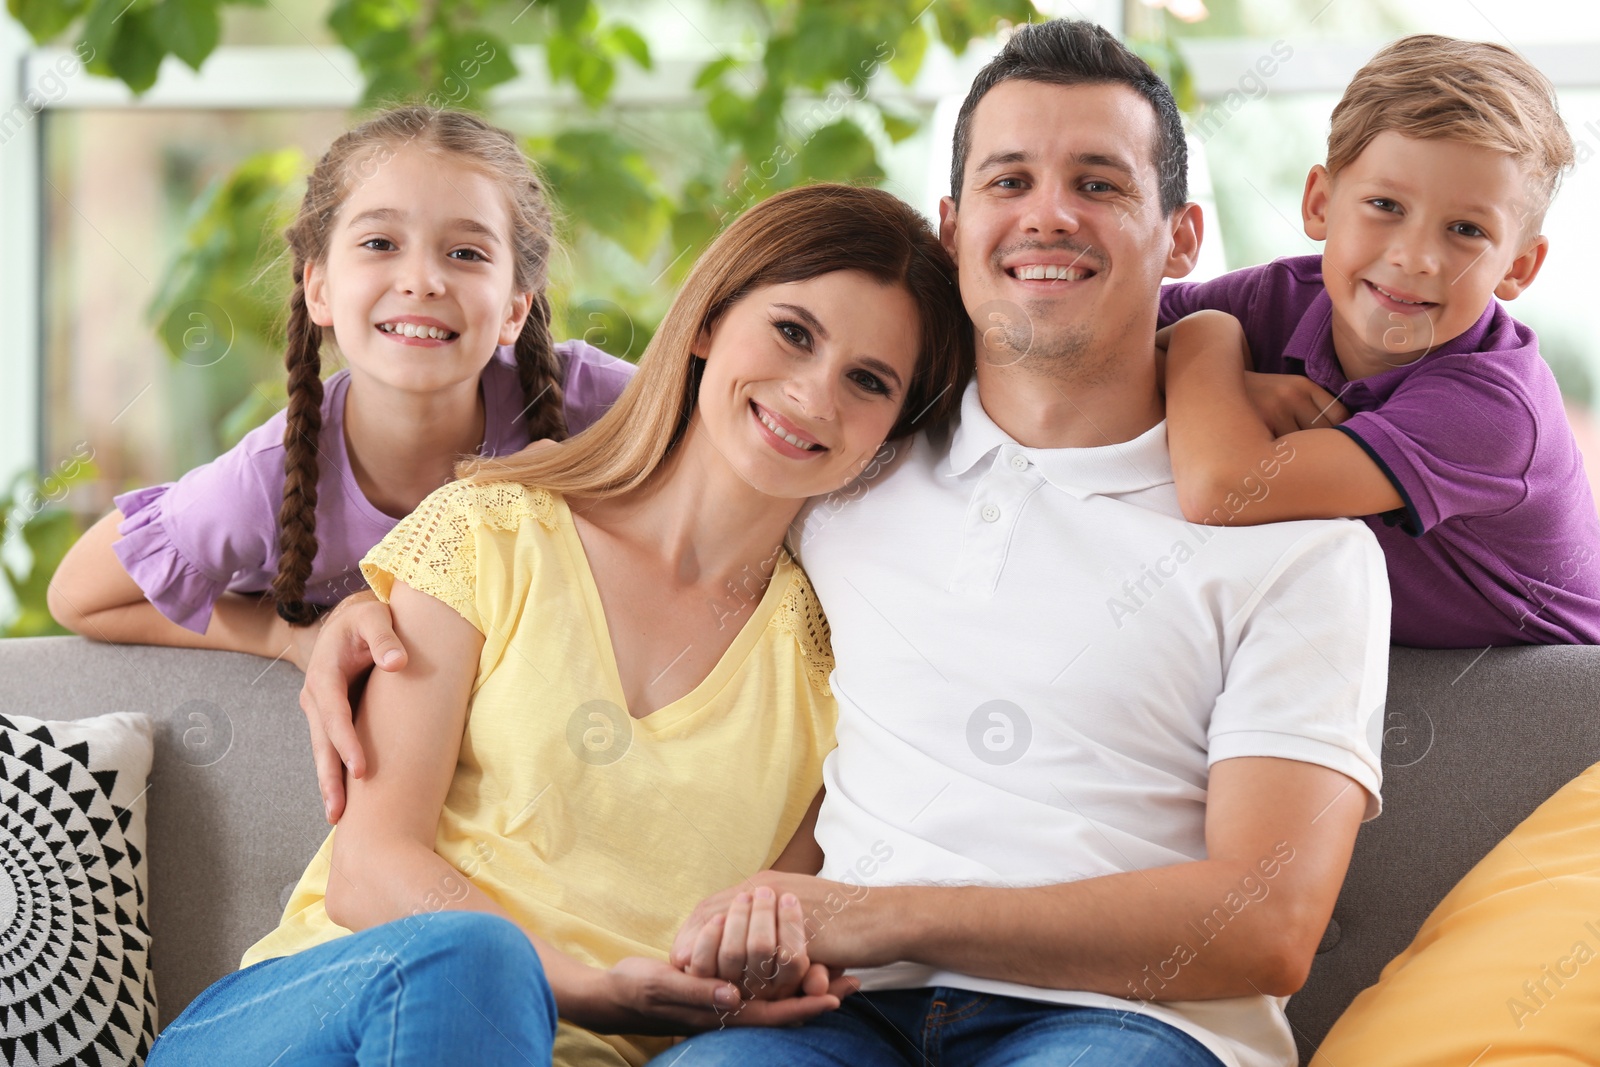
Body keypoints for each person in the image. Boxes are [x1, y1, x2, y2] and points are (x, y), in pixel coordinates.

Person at [305, 20, 1389, 1067]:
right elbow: (609, 480)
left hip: (1124, 1021)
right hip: (837, 1018)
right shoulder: (849, 469)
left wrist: (873, 915)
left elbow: (1267, 922)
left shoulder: (1298, 548)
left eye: (1098, 183)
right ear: (955, 226)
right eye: (1010, 180)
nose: (1048, 214)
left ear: (1182, 238)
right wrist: (334, 613)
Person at [143, 181, 972, 1067]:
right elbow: (372, 866)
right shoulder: (491, 528)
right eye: (793, 332)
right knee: (475, 959)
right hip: (313, 1018)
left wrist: (755, 969)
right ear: (707, 323)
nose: (813, 394)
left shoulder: (835, 671)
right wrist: (585, 982)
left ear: (891, 432)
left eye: (869, 381)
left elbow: (771, 922)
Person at [47, 106, 635, 678]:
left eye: (466, 253)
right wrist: (291, 637)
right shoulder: (265, 477)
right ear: (319, 289)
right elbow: (79, 595)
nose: (422, 281)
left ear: (514, 310)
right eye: (380, 243)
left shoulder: (594, 400)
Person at [1157, 35, 1600, 647]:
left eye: (1466, 230)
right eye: (1386, 204)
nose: (1414, 256)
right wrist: (1240, 386)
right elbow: (1094, 340)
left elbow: (1222, 488)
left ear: (1518, 267)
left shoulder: (1497, 407)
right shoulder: (1279, 296)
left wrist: (1205, 338)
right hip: (1372, 654)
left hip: (1538, 702)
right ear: (1320, 203)